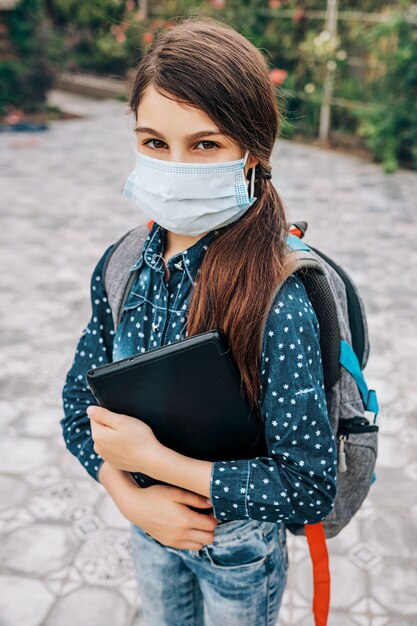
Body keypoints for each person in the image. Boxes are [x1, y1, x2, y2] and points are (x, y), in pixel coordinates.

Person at [61, 16, 337, 626]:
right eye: (155, 142)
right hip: (147, 527)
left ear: (252, 153)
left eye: (205, 144)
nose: (176, 164)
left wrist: (158, 465)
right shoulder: (124, 265)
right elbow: (76, 407)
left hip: (238, 551)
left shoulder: (276, 300)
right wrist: (127, 493)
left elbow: (310, 486)